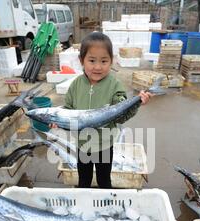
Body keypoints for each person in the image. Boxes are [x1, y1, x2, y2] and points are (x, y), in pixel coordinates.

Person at [50, 32, 152, 188]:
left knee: (104, 180)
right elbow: (68, 110)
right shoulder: (75, 85)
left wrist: (137, 102)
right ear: (81, 61)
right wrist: (58, 122)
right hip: (82, 144)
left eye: (104, 61)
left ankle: (106, 207)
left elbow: (121, 116)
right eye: (92, 61)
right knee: (84, 179)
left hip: (105, 144)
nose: (98, 67)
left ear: (112, 61)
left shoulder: (114, 85)